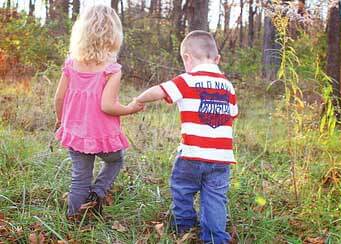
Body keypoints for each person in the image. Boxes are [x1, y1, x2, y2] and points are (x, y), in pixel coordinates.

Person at [135, 30, 238, 244]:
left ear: (187, 58)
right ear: (217, 59)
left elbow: (160, 90)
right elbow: (233, 115)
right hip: (221, 158)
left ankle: (183, 226)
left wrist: (139, 99)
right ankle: (215, 237)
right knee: (216, 198)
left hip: (191, 153)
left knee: (182, 188)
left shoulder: (187, 80)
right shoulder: (228, 86)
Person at [53, 5, 144, 218]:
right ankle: (98, 192)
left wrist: (60, 120)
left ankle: (73, 219)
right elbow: (107, 106)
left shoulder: (71, 65)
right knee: (115, 160)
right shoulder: (111, 70)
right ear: (114, 36)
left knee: (79, 178)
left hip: (76, 133)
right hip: (102, 136)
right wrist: (130, 108)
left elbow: (58, 97)